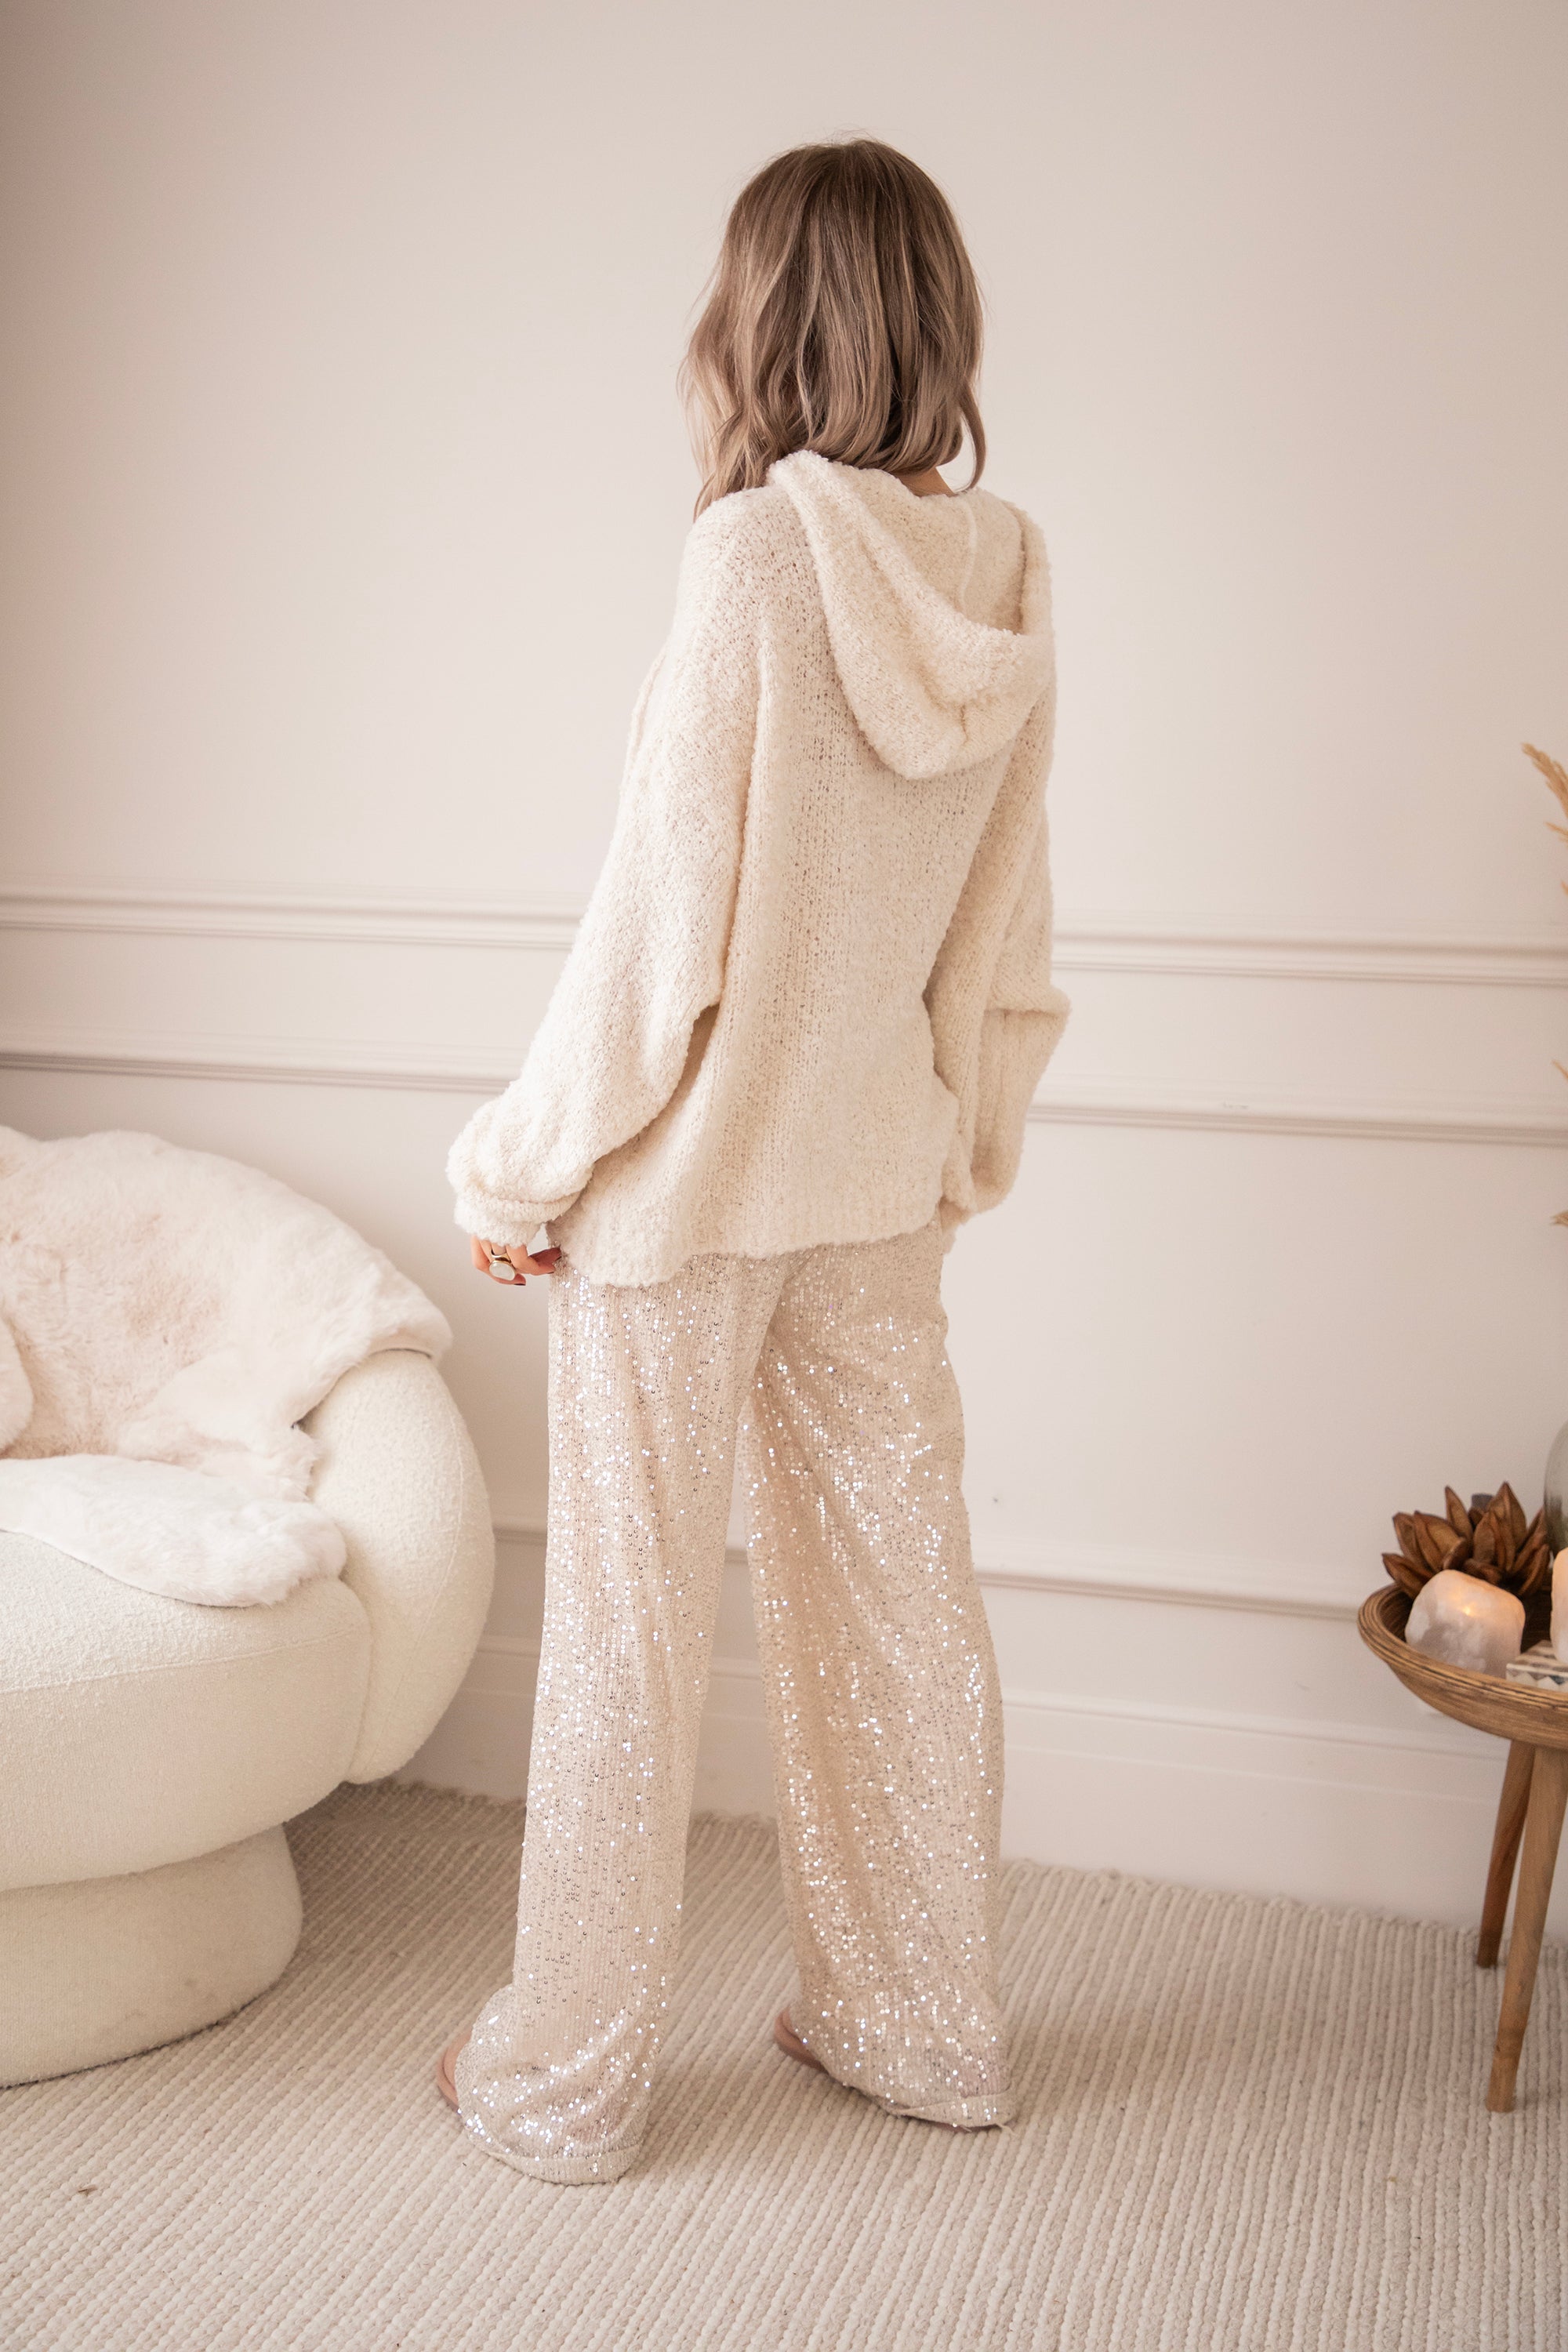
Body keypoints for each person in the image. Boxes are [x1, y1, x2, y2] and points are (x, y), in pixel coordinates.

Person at [439, 136, 1069, 2183]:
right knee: (900, 1606)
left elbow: (657, 935)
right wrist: (960, 1144)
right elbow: (1006, 928)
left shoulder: (754, 560)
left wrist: (520, 1172)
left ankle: (563, 2085)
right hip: (877, 1178)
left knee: (630, 1639)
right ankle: (920, 2029)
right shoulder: (1006, 569)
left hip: (691, 1199)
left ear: (759, 317)